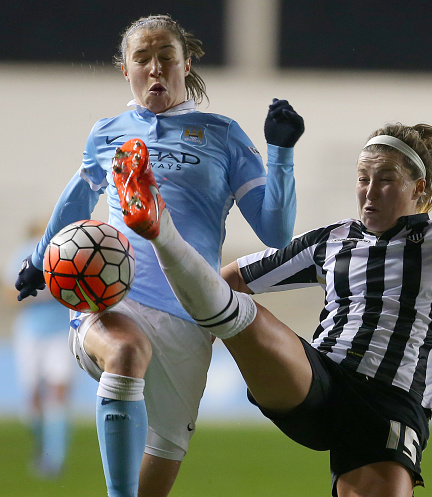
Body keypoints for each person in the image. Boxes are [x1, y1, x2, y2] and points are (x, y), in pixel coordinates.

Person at [113, 106, 432, 497]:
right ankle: (159, 228)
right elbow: (229, 279)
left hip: (389, 404)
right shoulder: (331, 241)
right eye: (362, 178)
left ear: (418, 189)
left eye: (384, 179)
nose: (369, 191)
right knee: (240, 313)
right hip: (319, 380)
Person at [14, 14, 304, 497]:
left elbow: (275, 230)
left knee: (155, 482)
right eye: (142, 59)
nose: (155, 69)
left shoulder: (223, 135)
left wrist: (281, 153)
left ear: (185, 64)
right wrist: (41, 259)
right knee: (126, 353)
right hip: (110, 300)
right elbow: (76, 199)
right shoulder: (108, 132)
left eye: (166, 58)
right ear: (124, 69)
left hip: (190, 320)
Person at [5, 220, 74, 478]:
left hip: (60, 334)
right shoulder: (23, 254)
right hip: (31, 335)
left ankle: (55, 459)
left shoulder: (65, 253)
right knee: (33, 397)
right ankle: (41, 444)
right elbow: (12, 294)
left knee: (58, 392)